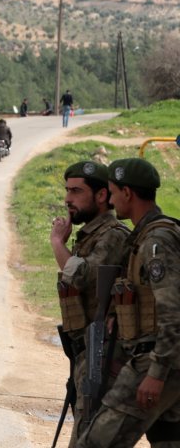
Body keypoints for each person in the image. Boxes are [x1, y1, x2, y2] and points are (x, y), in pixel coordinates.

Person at [78, 159, 180, 447]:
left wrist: (156, 374)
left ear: (127, 193)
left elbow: (173, 313)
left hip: (158, 360)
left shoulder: (156, 242)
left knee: (97, 441)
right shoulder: (148, 236)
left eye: (112, 192)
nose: (109, 200)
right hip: (165, 359)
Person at [50, 161, 130, 445]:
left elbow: (83, 277)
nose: (68, 199)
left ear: (101, 196)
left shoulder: (113, 235)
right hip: (86, 349)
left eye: (76, 191)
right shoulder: (92, 236)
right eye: (67, 190)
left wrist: (58, 244)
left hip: (104, 353)